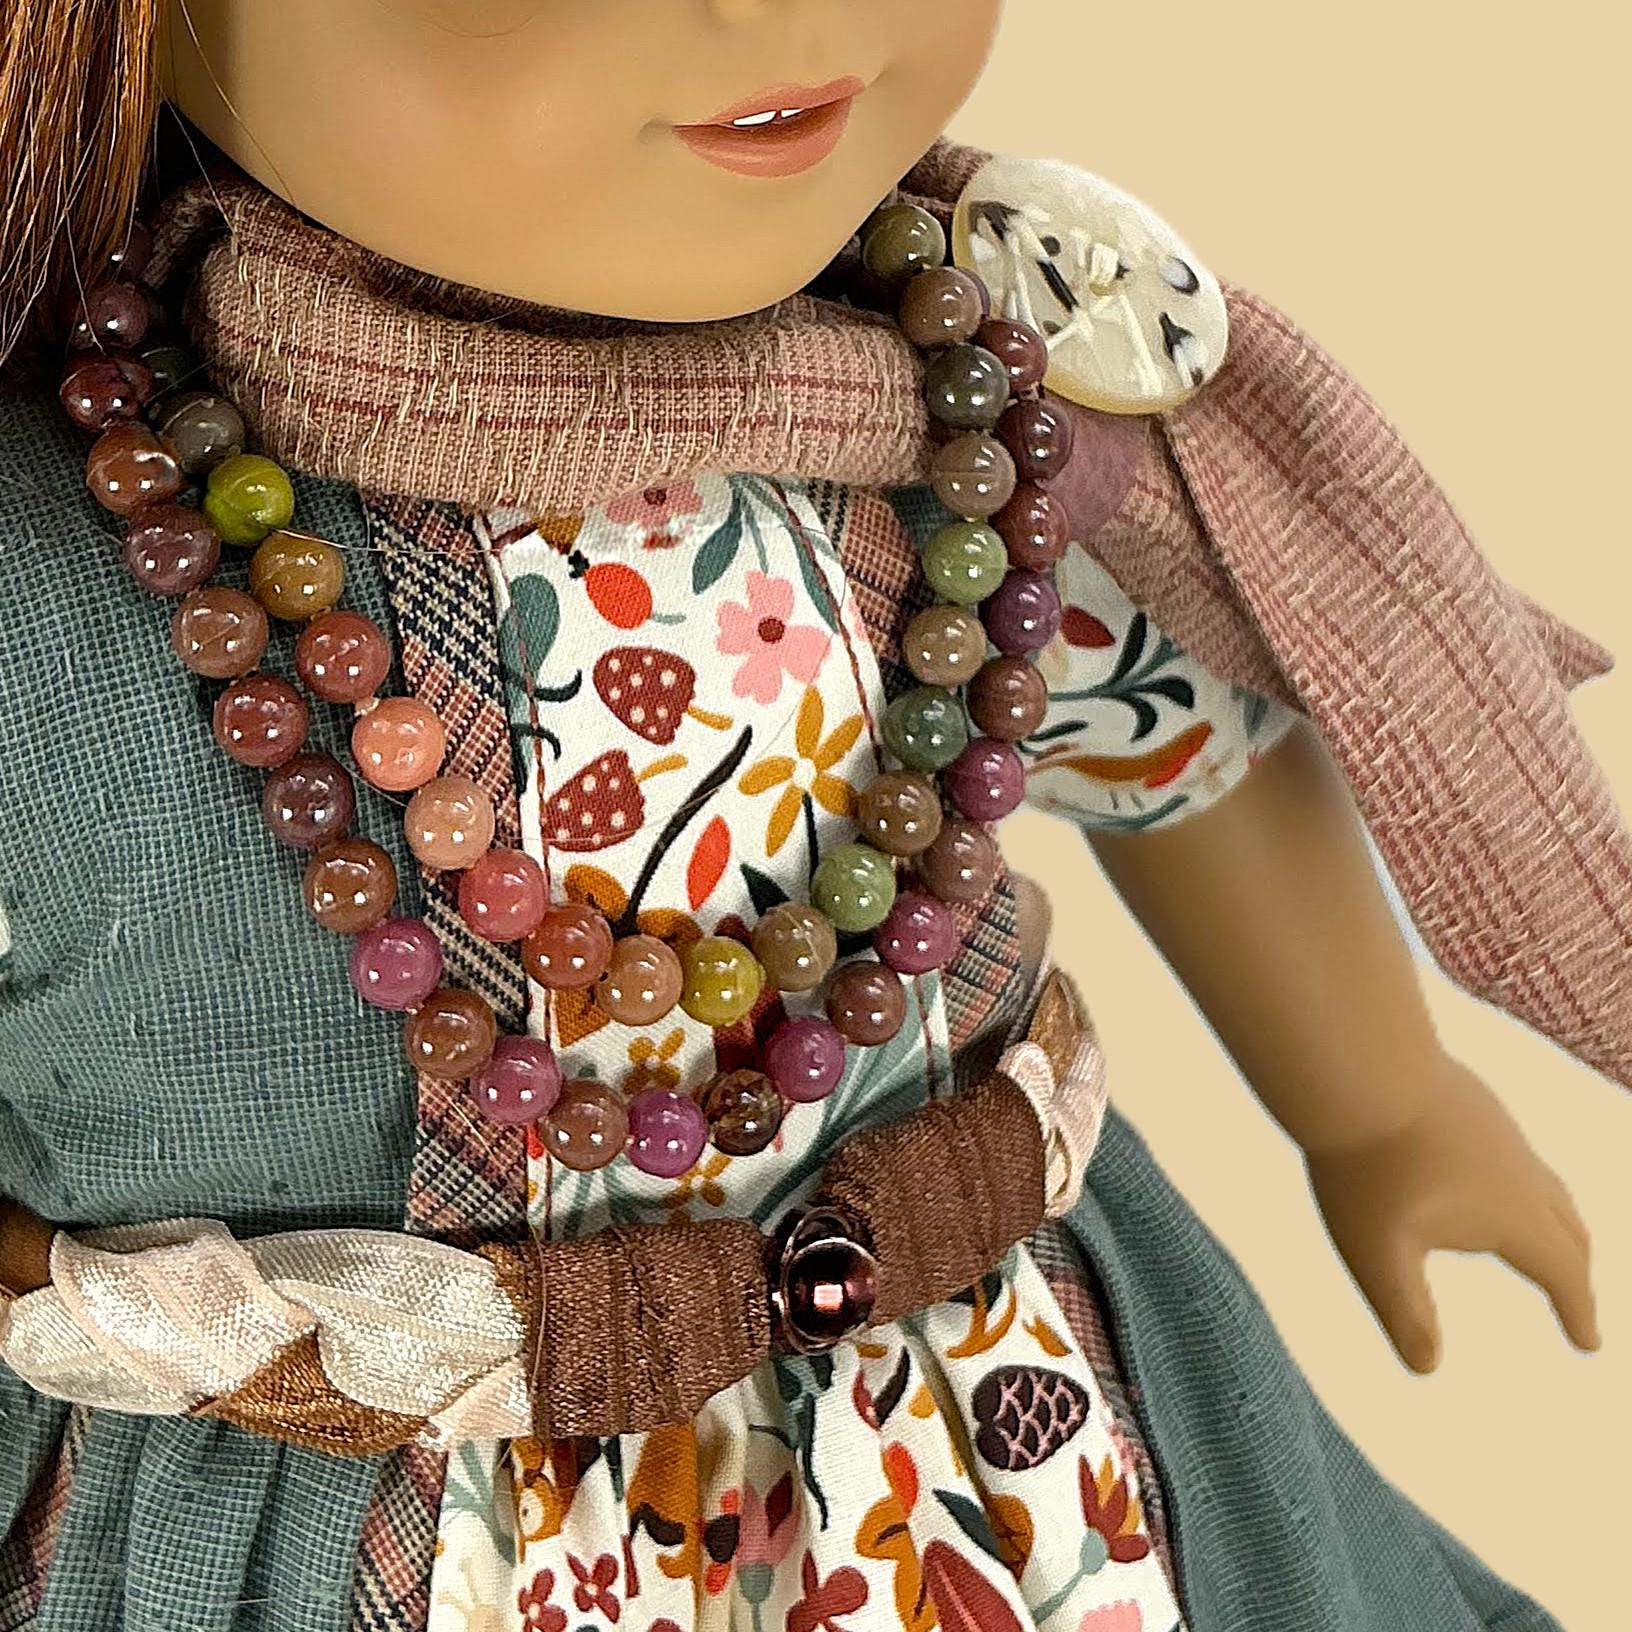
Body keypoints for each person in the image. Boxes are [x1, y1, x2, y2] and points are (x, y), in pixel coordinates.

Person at [0, 5, 1623, 1630]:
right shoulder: (62, 565)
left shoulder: (951, 422)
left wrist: (1381, 1104)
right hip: (346, 1487)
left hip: (1011, 1441)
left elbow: (1174, 749)